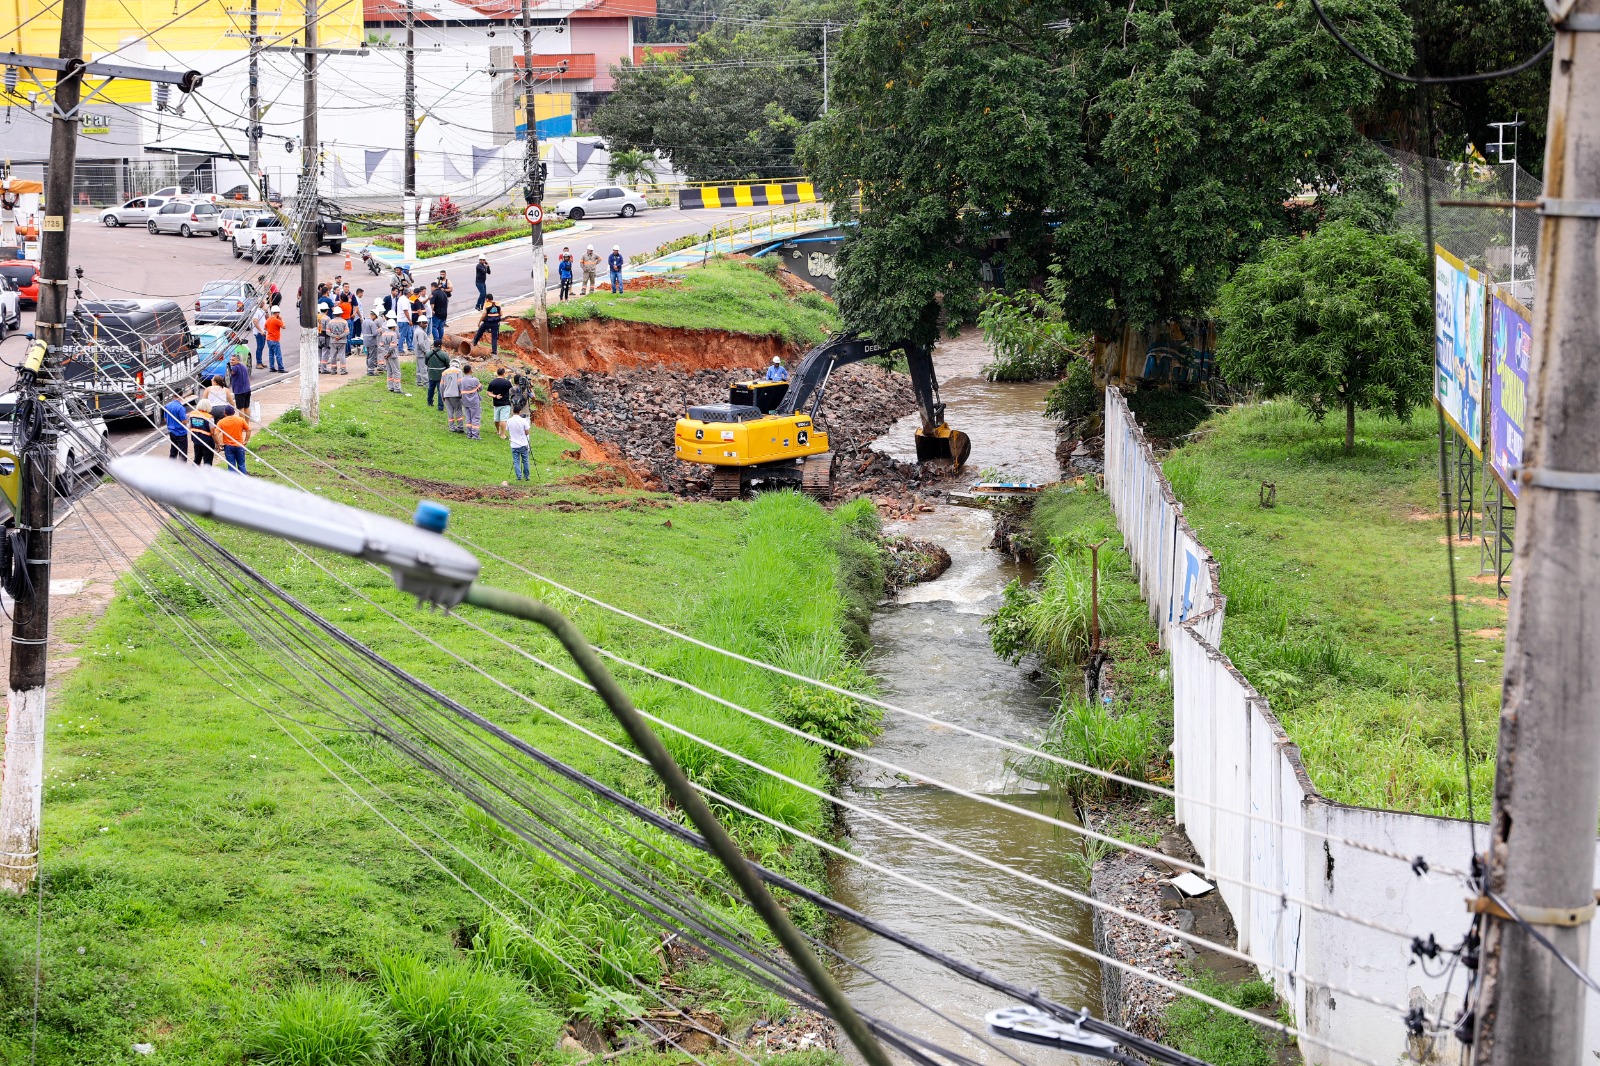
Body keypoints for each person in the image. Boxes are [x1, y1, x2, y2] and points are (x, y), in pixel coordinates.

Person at [217, 406, 252, 474]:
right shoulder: (240, 420)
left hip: (228, 446)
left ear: (225, 413)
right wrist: (246, 440)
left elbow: (215, 433)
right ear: (234, 412)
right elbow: (248, 430)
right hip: (239, 445)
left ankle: (233, 482)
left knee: (231, 466)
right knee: (241, 465)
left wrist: (219, 443)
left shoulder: (221, 422)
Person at [459, 362, 483, 440]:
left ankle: (469, 434)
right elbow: (481, 388)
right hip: (474, 402)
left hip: (465, 401)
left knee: (468, 418)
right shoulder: (474, 380)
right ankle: (475, 435)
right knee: (475, 418)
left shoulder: (461, 380)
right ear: (470, 370)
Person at [507, 403, 532, 481]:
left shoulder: (509, 420)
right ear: (520, 412)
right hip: (523, 444)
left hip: (514, 445)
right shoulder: (523, 420)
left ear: (513, 411)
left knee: (516, 461)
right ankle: (527, 476)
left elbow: (508, 429)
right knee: (525, 460)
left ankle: (519, 477)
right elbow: (527, 432)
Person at [486, 366, 512, 439]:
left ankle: (498, 431)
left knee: (497, 419)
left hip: (496, 403)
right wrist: (510, 382)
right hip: (505, 403)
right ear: (504, 373)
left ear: (497, 373)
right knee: (503, 420)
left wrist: (495, 396)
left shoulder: (493, 382)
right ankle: (503, 435)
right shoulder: (507, 382)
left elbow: (488, 393)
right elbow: (512, 391)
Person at [379, 313, 403, 393]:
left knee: (389, 371)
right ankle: (397, 388)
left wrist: (385, 354)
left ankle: (390, 387)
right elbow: (392, 346)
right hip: (393, 355)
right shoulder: (394, 334)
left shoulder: (384, 334)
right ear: (393, 327)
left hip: (386, 355)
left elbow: (381, 345)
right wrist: (389, 353)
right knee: (396, 371)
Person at [440, 359, 464, 432]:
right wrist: (461, 393)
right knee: (458, 410)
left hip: (446, 395)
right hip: (455, 395)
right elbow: (460, 383)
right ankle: (460, 427)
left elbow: (441, 386)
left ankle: (452, 427)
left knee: (450, 412)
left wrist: (442, 396)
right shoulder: (458, 371)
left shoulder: (444, 372)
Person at [324, 307, 350, 374]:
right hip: (342, 341)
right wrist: (340, 336)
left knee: (333, 356)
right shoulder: (344, 322)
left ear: (334, 314)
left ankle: (333, 370)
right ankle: (343, 370)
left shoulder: (330, 322)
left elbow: (327, 332)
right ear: (341, 313)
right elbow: (347, 332)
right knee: (342, 355)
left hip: (333, 341)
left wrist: (334, 336)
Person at [163, 395, 188, 460]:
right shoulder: (180, 407)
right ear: (182, 396)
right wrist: (187, 418)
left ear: (174, 396)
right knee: (183, 453)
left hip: (171, 432)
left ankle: (171, 467)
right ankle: (181, 468)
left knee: (173, 451)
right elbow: (184, 422)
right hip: (181, 432)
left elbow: (165, 419)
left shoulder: (167, 405)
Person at [429, 281, 450, 348]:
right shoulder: (443, 293)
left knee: (434, 327)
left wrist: (432, 311)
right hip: (444, 313)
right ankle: (440, 341)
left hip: (437, 313)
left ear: (433, 286)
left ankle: (436, 340)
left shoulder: (434, 293)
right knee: (441, 327)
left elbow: (432, 304)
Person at [264, 307, 286, 372]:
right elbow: (284, 326)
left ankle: (272, 367)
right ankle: (281, 368)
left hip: (269, 339)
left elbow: (265, 328)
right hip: (275, 339)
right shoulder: (276, 320)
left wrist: (271, 330)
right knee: (278, 355)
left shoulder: (268, 319)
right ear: (277, 313)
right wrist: (281, 320)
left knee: (271, 355)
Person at [365, 309, 383, 375]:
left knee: (368, 355)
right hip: (372, 341)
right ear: (373, 315)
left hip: (366, 341)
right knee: (372, 356)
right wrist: (379, 330)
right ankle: (371, 371)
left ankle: (368, 368)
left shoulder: (365, 321)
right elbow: (374, 333)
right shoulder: (372, 323)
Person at [251, 303, 269, 368]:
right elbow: (255, 321)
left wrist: (266, 311)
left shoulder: (261, 310)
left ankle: (260, 362)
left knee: (262, 347)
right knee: (259, 347)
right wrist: (260, 331)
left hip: (263, 331)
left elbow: (268, 318)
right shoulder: (256, 310)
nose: (264, 304)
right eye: (263, 303)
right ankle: (258, 363)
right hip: (259, 332)